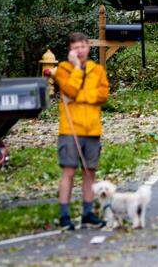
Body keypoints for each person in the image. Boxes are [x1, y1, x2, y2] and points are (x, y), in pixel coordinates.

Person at [50, 31, 110, 230]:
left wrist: (81, 96)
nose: (80, 50)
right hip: (70, 129)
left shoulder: (98, 70)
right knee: (68, 171)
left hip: (92, 128)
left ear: (88, 47)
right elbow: (71, 91)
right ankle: (65, 215)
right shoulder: (63, 69)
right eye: (75, 48)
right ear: (70, 51)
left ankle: (87, 213)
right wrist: (76, 69)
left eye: (83, 46)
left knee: (89, 172)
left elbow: (103, 95)